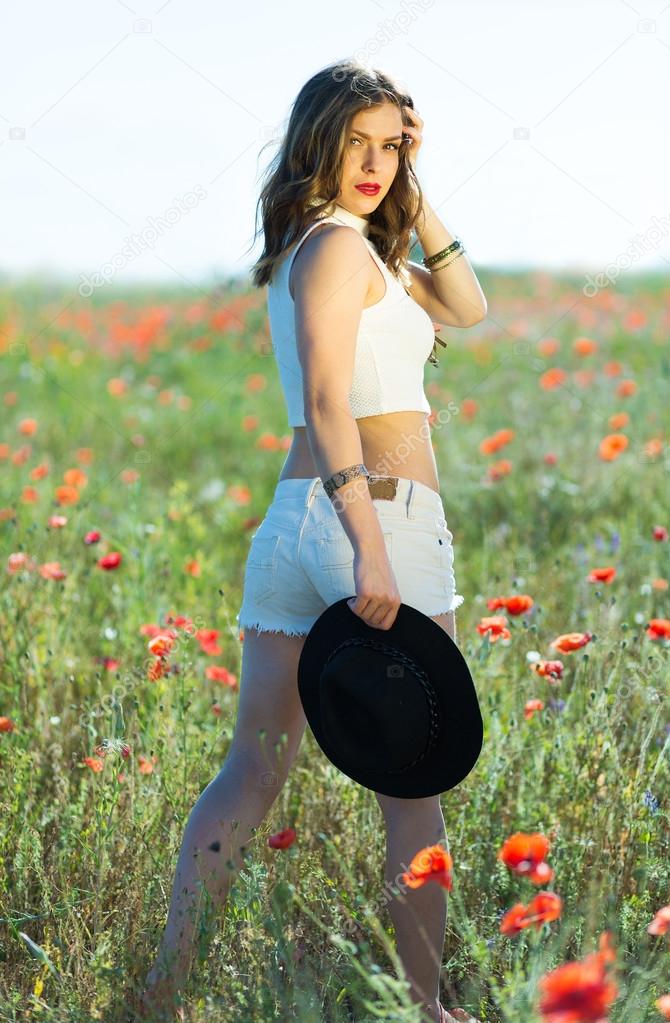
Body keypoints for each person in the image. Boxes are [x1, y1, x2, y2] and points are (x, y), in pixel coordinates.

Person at [138, 59, 487, 1023]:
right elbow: (330, 400)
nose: (375, 163)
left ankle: (163, 997)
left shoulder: (344, 250)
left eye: (391, 144)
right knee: (414, 788)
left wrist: (420, 190)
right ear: (316, 141)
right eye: (359, 143)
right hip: (373, 521)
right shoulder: (339, 251)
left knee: (253, 768)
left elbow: (468, 307)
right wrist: (371, 548)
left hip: (299, 530)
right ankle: (425, 1010)